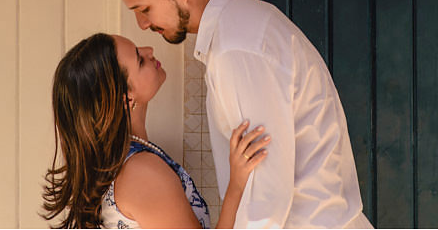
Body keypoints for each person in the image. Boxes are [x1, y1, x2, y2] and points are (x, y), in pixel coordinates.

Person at [104, 0, 373, 229]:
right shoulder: (243, 28)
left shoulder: (236, 48)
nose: (142, 24)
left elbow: (264, 194)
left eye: (144, 9)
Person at [42, 32, 271, 228]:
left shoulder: (125, 163)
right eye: (139, 60)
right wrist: (237, 184)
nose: (149, 50)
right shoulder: (141, 172)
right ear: (126, 97)